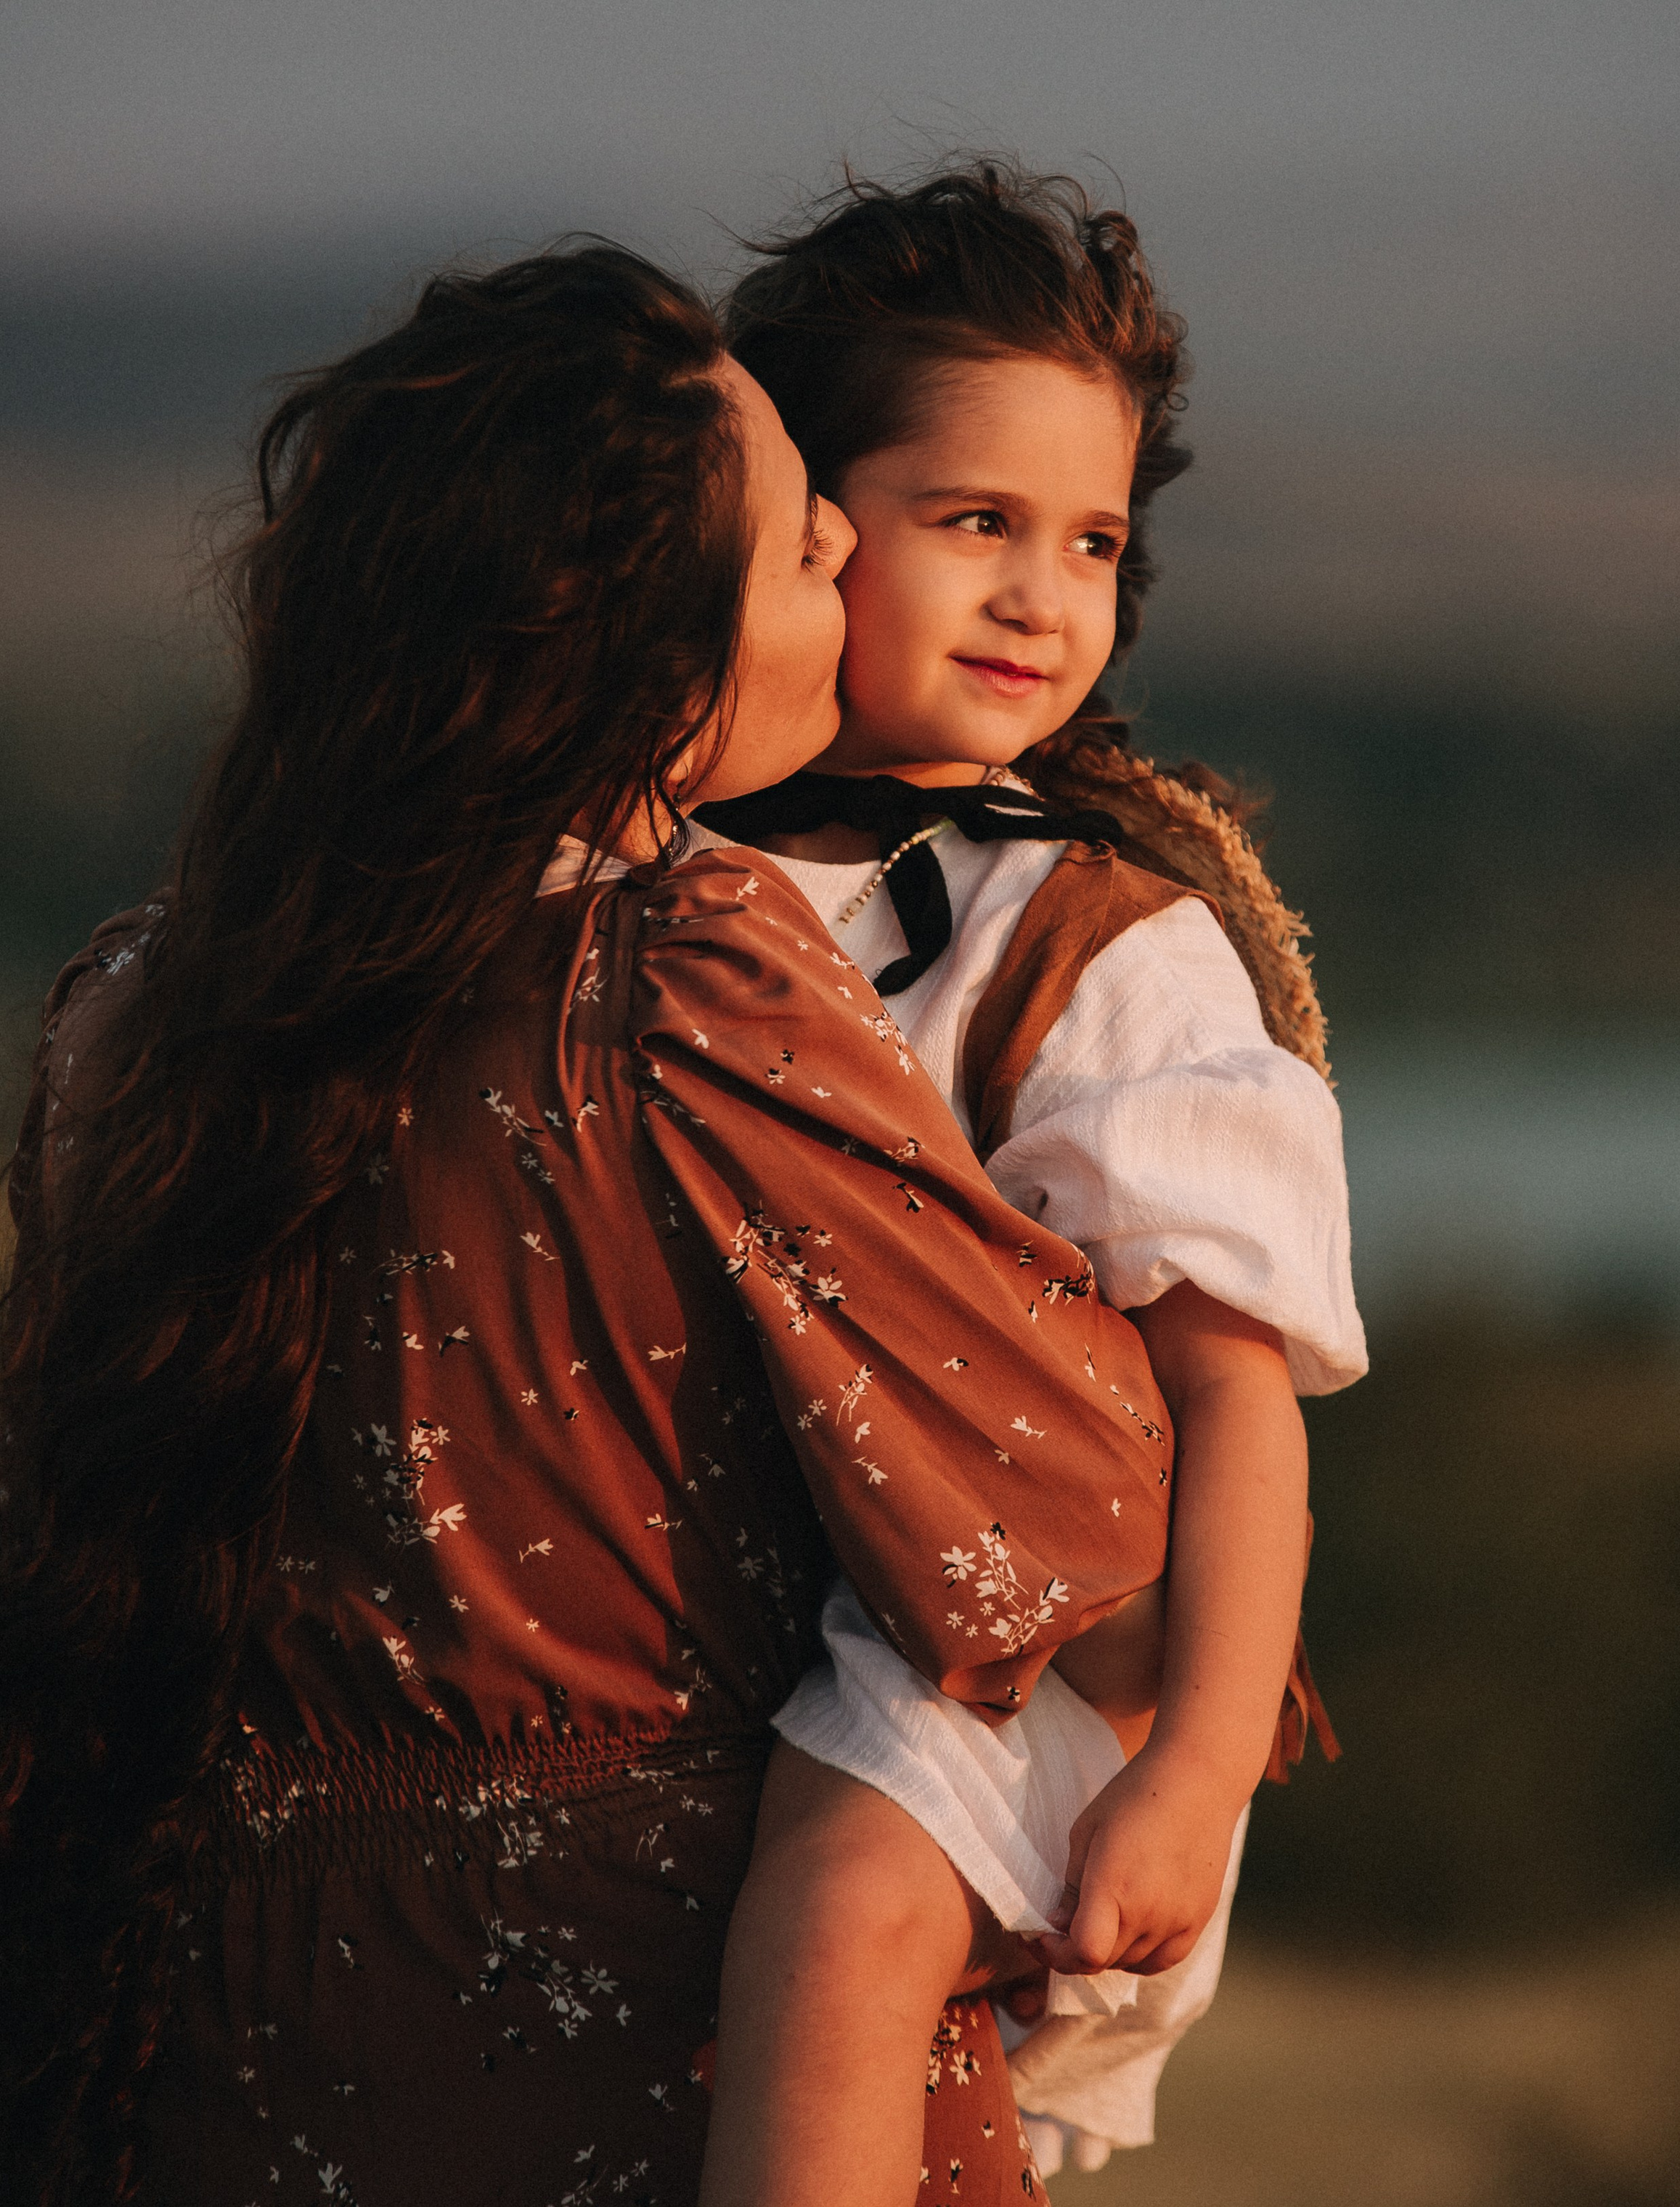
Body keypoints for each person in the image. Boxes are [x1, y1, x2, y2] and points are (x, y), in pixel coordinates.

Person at [0, 241, 1180, 2207]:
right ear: (644, 636)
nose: (852, 590)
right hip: (638, 2027)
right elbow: (1068, 1536)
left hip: (192, 2036)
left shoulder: (127, 1011)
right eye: (811, 552)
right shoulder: (679, 970)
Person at [695, 161, 1366, 2195]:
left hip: (1029, 1657)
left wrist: (1194, 1763)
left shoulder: (1097, 943)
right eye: (973, 519)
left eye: (1089, 538)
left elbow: (1233, 1390)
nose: (1040, 595)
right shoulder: (673, 872)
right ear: (805, 527)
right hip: (776, 1592)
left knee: (847, 1891)